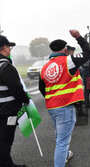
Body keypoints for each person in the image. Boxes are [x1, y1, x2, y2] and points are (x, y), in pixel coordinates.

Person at [39, 30, 90, 167]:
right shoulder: (68, 61)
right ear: (65, 49)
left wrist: (53, 98)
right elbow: (89, 52)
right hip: (65, 107)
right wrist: (78, 37)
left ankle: (65, 155)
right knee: (62, 142)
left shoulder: (45, 67)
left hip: (52, 107)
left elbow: (42, 88)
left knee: (60, 137)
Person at [0, 35, 29, 167]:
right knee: (6, 139)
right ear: (4, 48)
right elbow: (17, 88)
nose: (10, 50)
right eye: (9, 47)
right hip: (7, 111)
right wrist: (25, 99)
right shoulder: (6, 66)